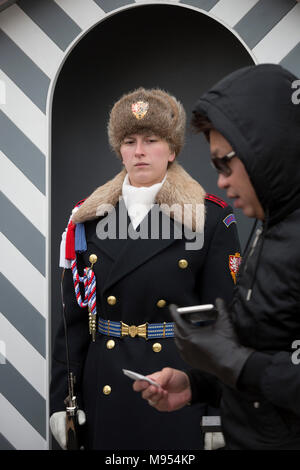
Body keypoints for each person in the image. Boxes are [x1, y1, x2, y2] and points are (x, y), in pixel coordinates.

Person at [49, 87, 240, 450]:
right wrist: (64, 398)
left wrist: (216, 410)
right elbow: (72, 321)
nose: (139, 151)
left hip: (176, 387)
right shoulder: (86, 218)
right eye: (129, 141)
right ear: (119, 150)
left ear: (172, 150)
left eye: (151, 140)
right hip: (105, 386)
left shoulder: (210, 218)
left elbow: (223, 325)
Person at [133, 64, 300, 450]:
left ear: (267, 149)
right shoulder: (268, 222)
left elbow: (256, 366)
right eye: (214, 166)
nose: (221, 181)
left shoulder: (218, 218)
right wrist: (198, 383)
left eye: (226, 163)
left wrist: (234, 363)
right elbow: (265, 349)